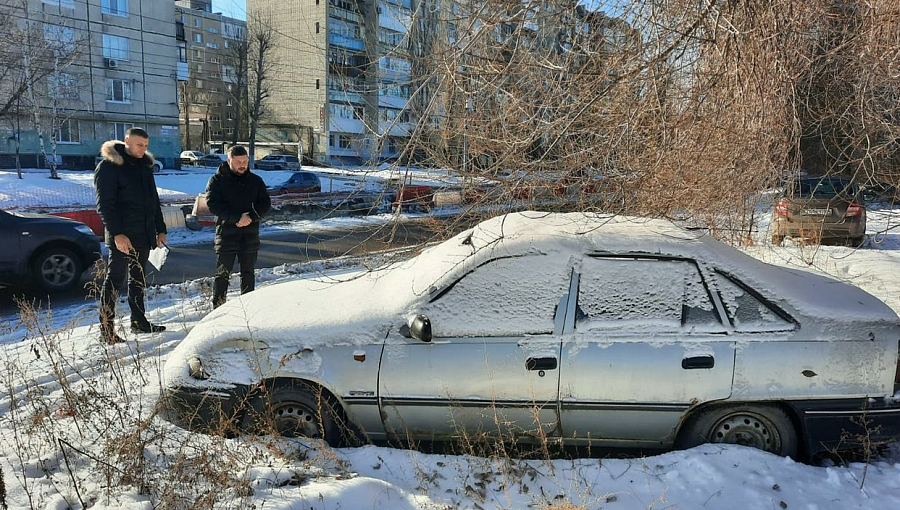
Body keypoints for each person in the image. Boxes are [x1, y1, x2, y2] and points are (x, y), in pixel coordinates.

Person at [94, 128, 167, 344]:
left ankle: (139, 321)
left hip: (143, 234)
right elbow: (105, 205)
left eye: (145, 145)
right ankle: (106, 330)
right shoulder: (109, 166)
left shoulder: (145, 166)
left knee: (138, 279)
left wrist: (160, 229)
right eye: (139, 145)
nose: (143, 149)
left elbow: (154, 201)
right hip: (122, 236)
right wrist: (117, 234)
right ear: (127, 141)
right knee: (114, 280)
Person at [205, 145, 271, 308]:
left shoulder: (256, 181)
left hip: (250, 233)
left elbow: (265, 203)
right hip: (226, 233)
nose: (242, 165)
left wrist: (251, 217)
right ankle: (218, 309)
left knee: (248, 274)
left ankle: (248, 308)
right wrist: (236, 218)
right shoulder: (217, 180)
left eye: (245, 161)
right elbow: (212, 204)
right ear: (229, 161)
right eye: (238, 162)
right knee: (222, 275)